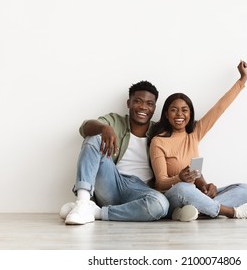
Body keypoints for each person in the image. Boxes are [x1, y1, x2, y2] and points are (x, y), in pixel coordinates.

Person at [149, 60, 247, 222]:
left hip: (194, 193)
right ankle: (232, 212)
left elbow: (220, 108)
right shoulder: (158, 141)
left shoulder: (194, 133)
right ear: (166, 114)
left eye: (184, 110)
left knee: (246, 189)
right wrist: (179, 178)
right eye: (174, 110)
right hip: (173, 196)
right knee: (183, 188)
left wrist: (205, 186)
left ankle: (195, 211)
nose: (179, 114)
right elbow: (160, 183)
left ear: (190, 113)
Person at [59, 80, 169, 225]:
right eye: (138, 101)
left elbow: (189, 133)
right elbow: (85, 127)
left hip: (140, 190)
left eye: (149, 104)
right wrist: (104, 128)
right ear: (128, 103)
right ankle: (83, 201)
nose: (143, 107)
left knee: (160, 205)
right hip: (112, 182)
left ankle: (94, 212)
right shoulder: (115, 121)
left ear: (154, 108)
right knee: (94, 138)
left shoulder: (159, 132)